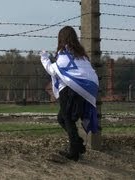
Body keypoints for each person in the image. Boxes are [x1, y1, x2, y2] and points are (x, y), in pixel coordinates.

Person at [40, 26, 100, 161]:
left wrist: (44, 58)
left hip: (71, 88)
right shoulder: (81, 55)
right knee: (62, 118)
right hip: (86, 89)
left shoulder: (64, 53)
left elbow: (53, 70)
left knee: (67, 118)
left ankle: (74, 153)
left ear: (61, 39)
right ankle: (78, 145)